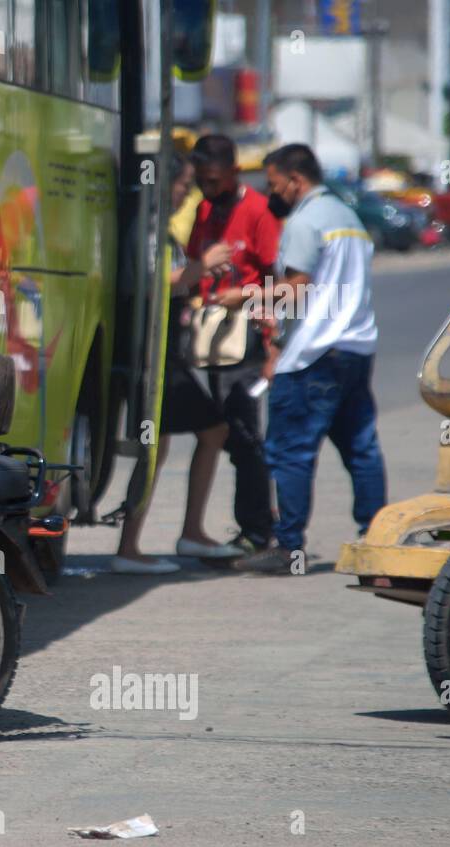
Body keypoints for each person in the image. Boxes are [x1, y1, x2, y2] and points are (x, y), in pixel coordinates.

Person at [235, 143, 388, 574]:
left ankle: (290, 551)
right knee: (361, 449)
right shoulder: (350, 219)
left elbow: (297, 287)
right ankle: (376, 544)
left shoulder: (305, 221)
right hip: (356, 349)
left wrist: (244, 296)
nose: (273, 192)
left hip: (314, 357)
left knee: (291, 452)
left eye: (274, 184)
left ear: (295, 180)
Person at [114, 154, 243, 573]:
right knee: (176, 440)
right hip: (152, 352)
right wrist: (200, 267)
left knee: (182, 439)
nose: (186, 193)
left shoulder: (159, 226)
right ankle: (133, 547)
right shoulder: (148, 225)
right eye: (182, 185)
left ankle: (183, 533)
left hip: (164, 348)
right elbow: (154, 280)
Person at [186, 134, 281, 557]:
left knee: (244, 437)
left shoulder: (258, 211)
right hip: (208, 341)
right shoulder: (204, 209)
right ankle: (252, 523)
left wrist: (242, 296)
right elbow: (192, 263)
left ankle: (258, 531)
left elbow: (284, 280)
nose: (206, 189)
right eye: (201, 181)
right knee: (217, 432)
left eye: (213, 180)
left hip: (246, 343)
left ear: (234, 172)